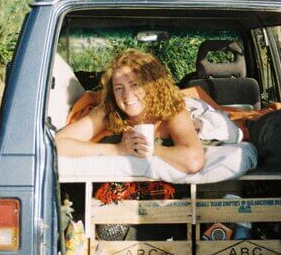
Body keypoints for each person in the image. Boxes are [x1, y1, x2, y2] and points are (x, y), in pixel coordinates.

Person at [56, 49, 206, 175]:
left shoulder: (173, 111)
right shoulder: (108, 110)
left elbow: (193, 161)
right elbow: (57, 143)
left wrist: (150, 149)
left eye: (134, 85)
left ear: (153, 86)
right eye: (119, 88)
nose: (127, 96)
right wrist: (118, 149)